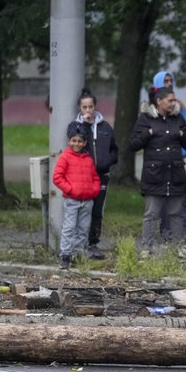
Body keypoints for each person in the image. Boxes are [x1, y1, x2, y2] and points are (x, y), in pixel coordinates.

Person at [129, 86, 186, 253]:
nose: (174, 103)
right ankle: (146, 248)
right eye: (170, 100)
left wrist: (182, 134)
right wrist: (149, 132)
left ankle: (177, 248)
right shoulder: (145, 119)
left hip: (175, 174)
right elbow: (133, 145)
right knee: (151, 214)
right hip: (154, 175)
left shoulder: (178, 119)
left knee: (176, 213)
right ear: (159, 101)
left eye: (174, 100)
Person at [149, 71, 186, 238]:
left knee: (180, 201)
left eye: (170, 80)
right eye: (165, 81)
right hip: (157, 163)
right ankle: (166, 234)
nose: (169, 83)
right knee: (159, 203)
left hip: (176, 160)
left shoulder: (178, 106)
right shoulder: (149, 110)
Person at [75, 88, 118, 259]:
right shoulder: (77, 127)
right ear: (80, 108)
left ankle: (93, 243)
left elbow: (114, 150)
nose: (88, 111)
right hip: (83, 177)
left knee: (97, 211)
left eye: (90, 107)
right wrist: (85, 125)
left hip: (101, 176)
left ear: (95, 107)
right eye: (84, 107)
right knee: (82, 210)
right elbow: (75, 145)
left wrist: (107, 162)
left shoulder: (105, 127)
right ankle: (80, 244)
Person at [53, 122, 101, 269]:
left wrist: (94, 190)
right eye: (74, 140)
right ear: (69, 141)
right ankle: (65, 255)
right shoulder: (65, 157)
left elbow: (95, 178)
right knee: (69, 227)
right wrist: (70, 190)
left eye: (80, 141)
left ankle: (77, 255)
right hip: (72, 200)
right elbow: (57, 177)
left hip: (87, 201)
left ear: (85, 142)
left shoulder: (88, 159)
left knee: (83, 228)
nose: (77, 143)